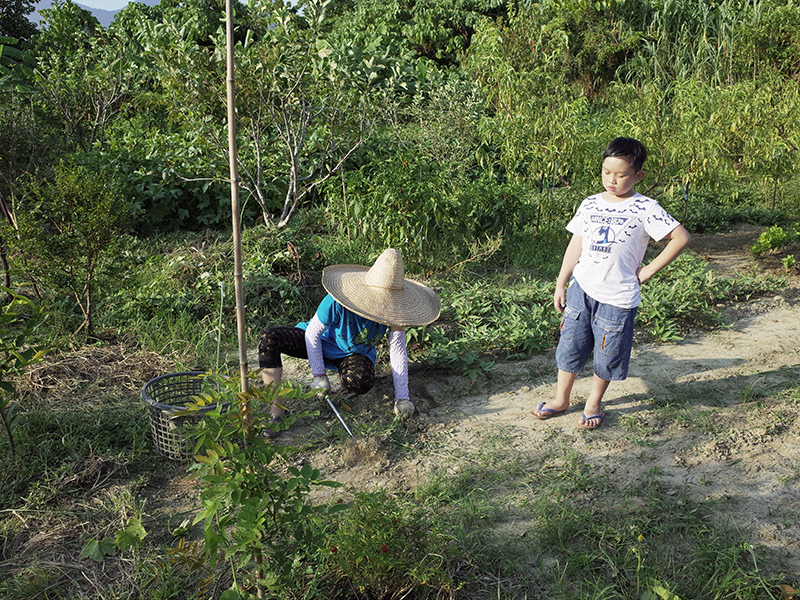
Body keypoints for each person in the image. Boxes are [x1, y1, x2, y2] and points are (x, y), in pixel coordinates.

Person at [531, 137, 691, 429]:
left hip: (618, 296)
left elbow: (680, 237)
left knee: (608, 351)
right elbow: (576, 245)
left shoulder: (645, 207)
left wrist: (647, 271)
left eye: (621, 175)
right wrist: (561, 282)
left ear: (638, 175)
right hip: (582, 289)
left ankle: (594, 403)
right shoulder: (590, 203)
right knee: (570, 345)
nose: (612, 180)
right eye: (607, 172)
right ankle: (561, 399)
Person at [258, 248, 441, 436]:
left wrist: (402, 398)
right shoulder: (337, 300)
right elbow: (312, 334)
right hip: (319, 341)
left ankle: (345, 379)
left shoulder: (394, 312)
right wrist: (319, 376)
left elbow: (397, 351)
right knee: (269, 338)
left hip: (353, 353)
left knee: (360, 382)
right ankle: (277, 412)